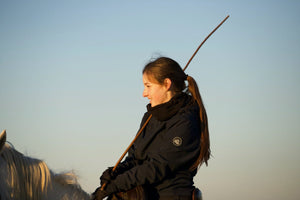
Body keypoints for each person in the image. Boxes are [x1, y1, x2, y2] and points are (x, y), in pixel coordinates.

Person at [92, 57, 210, 200]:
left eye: (148, 86)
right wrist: (115, 172)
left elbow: (157, 167)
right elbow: (135, 158)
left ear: (166, 84)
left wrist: (116, 185)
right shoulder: (150, 117)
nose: (144, 93)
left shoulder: (186, 122)